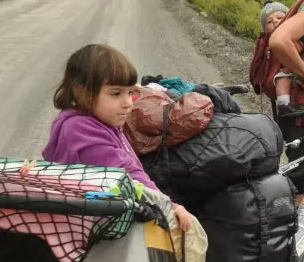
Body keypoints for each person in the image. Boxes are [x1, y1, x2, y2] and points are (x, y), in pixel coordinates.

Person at [42, 43, 195, 231]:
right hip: (92, 229)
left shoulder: (97, 119)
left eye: (130, 93)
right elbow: (127, 175)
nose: (128, 103)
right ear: (81, 93)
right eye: (115, 94)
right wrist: (169, 206)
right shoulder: (80, 131)